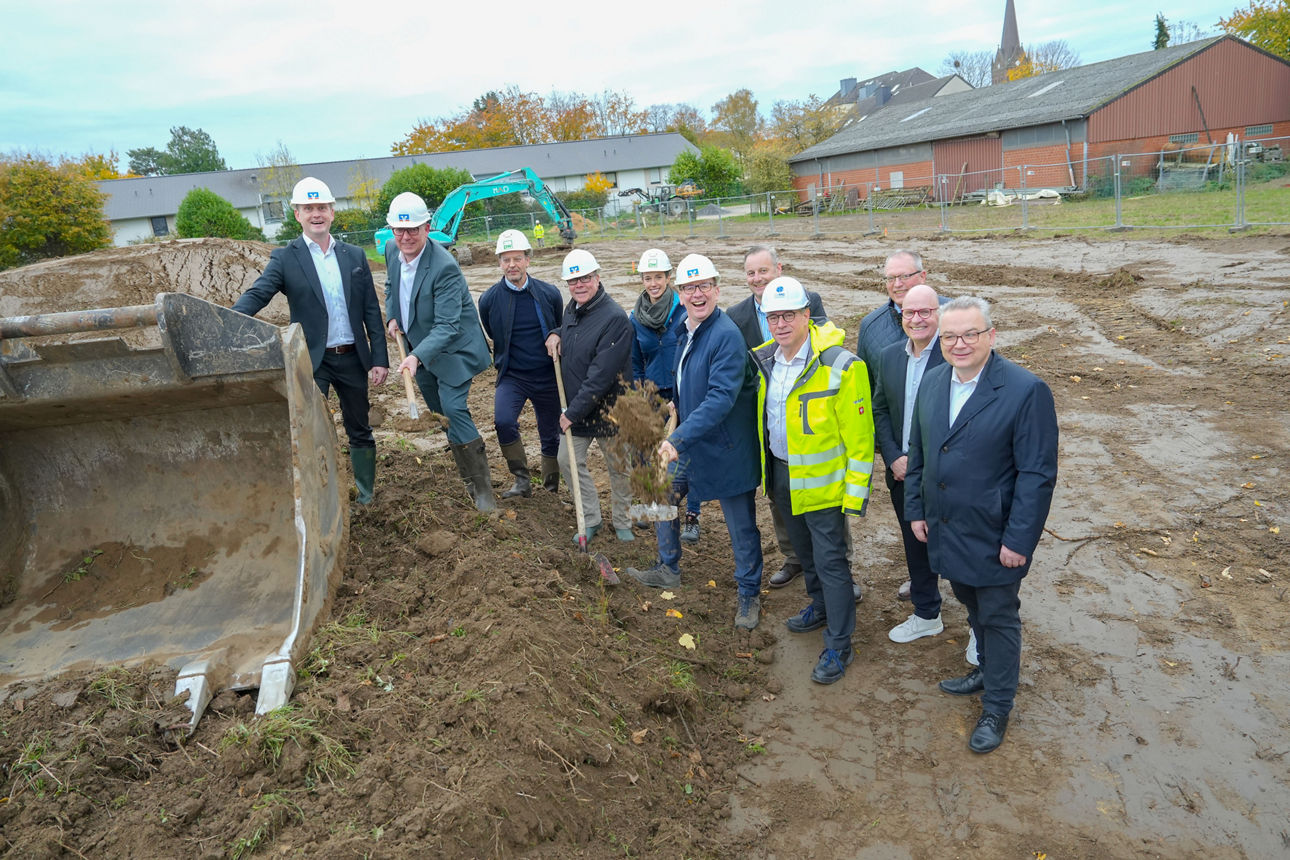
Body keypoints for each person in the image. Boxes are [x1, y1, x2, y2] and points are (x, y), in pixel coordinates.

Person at [905, 296, 1059, 754]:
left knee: (998, 616)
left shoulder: (1024, 390)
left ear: (991, 336)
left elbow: (1037, 474)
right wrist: (916, 509)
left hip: (995, 535)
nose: (959, 344)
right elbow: (920, 453)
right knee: (969, 604)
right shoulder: (934, 382)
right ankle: (986, 670)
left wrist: (1019, 539)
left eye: (970, 334)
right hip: (947, 527)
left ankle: (997, 705)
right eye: (950, 335)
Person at [626, 254, 764, 631]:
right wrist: (678, 402)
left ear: (717, 289)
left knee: (741, 526)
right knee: (661, 496)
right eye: (689, 288)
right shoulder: (685, 330)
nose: (697, 293)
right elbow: (692, 381)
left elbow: (720, 398)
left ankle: (749, 593)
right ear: (680, 293)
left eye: (703, 286)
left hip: (725, 446)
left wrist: (676, 439)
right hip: (693, 441)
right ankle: (667, 567)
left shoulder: (726, 336)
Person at [232, 177, 388, 505]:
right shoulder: (285, 258)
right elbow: (260, 292)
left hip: (353, 359)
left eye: (321, 207)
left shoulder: (354, 256)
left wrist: (379, 359)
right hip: (313, 359)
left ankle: (365, 494)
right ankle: (319, 492)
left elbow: (372, 311)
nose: (316, 213)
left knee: (359, 426)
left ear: (332, 212)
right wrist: (230, 319)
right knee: (311, 428)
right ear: (297, 214)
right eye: (308, 208)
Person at [752, 277, 874, 683]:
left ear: (807, 315)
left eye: (789, 315)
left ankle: (840, 644)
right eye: (773, 316)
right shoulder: (767, 360)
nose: (781, 323)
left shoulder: (841, 365)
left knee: (832, 562)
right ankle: (819, 607)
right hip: (783, 477)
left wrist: (854, 496)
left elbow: (860, 440)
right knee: (805, 557)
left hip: (823, 486)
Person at [727, 245, 835, 592]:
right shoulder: (737, 315)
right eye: (751, 273)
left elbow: (825, 345)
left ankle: (835, 567)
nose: (757, 279)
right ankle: (794, 557)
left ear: (779, 269)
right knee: (778, 492)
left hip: (808, 418)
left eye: (763, 271)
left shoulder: (808, 301)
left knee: (822, 501)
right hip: (769, 416)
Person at [383, 191, 496, 512]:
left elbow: (447, 325)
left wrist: (416, 357)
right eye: (399, 230)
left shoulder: (444, 266)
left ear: (428, 227)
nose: (405, 237)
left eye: (413, 230)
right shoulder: (392, 250)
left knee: (452, 407)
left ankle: (484, 491)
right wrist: (392, 315)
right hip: (420, 346)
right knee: (440, 413)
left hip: (454, 349)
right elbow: (391, 285)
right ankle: (467, 478)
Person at [856, 250, 952, 608]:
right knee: (913, 527)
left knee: (954, 528)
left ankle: (968, 597)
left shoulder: (953, 318)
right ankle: (925, 594)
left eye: (905, 276)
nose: (897, 284)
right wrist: (892, 454)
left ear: (923, 276)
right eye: (890, 278)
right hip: (901, 459)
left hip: (948, 458)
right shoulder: (872, 328)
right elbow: (871, 399)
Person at [872, 284, 950, 645]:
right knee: (913, 543)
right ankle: (926, 613)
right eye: (909, 313)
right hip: (902, 473)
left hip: (944, 476)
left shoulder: (953, 355)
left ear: (939, 313)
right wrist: (893, 457)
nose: (916, 319)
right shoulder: (889, 356)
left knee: (955, 543)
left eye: (925, 312)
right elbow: (881, 410)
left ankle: (980, 627)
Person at [550, 248, 635, 542]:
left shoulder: (615, 318)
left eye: (585, 278)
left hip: (610, 408)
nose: (579, 285)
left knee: (619, 467)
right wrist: (555, 332)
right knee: (566, 461)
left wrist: (571, 414)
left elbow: (601, 375)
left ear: (597, 278)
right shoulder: (571, 309)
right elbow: (573, 332)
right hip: (578, 405)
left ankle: (623, 521)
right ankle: (591, 517)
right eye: (573, 281)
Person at [477, 229, 564, 498]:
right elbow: (493, 332)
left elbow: (559, 325)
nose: (511, 265)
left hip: (547, 376)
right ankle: (521, 479)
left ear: (528, 260)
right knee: (503, 421)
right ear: (500, 263)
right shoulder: (489, 299)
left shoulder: (549, 294)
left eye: (517, 259)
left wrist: (556, 333)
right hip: (513, 375)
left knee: (550, 432)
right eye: (506, 260)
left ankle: (550, 486)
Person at [628, 248, 701, 540]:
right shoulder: (636, 317)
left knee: (686, 453)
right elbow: (635, 361)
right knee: (642, 449)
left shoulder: (683, 311)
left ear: (669, 278)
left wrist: (680, 398)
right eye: (648, 278)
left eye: (658, 277)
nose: (653, 283)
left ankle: (692, 517)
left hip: (682, 391)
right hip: (651, 393)